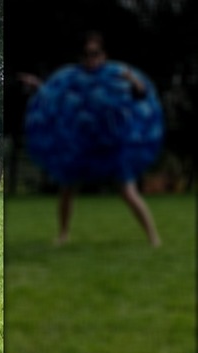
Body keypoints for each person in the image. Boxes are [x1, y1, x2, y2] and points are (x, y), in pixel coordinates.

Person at [18, 30, 162, 247]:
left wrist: (132, 79)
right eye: (86, 54)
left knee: (128, 191)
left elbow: (141, 96)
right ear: (81, 57)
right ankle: (63, 235)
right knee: (67, 189)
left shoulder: (117, 75)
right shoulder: (74, 78)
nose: (91, 58)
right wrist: (37, 85)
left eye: (95, 53)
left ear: (103, 55)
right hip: (81, 145)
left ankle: (153, 237)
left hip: (112, 144)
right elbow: (54, 98)